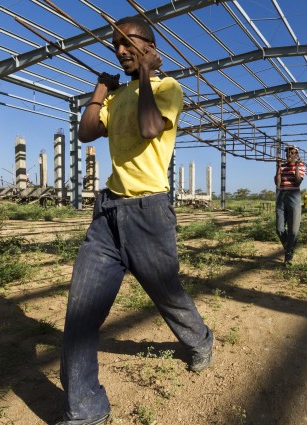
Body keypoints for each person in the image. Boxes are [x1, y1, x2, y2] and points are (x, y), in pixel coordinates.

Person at [58, 16, 213, 425]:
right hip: (107, 213)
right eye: (116, 45)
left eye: (129, 43)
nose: (121, 50)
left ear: (149, 45)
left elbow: (149, 129)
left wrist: (145, 74)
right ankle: (85, 411)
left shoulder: (167, 88)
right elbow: (86, 133)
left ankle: (201, 340)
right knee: (80, 313)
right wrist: (100, 91)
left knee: (167, 295)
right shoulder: (116, 97)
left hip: (149, 213)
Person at [275, 145, 305, 265]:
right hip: (281, 196)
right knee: (279, 228)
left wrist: (296, 166)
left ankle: (288, 255)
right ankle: (289, 249)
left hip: (294, 195)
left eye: (292, 152)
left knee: (293, 231)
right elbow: (277, 182)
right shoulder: (282, 166)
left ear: (296, 154)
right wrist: (278, 167)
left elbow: (297, 181)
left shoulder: (301, 166)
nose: (289, 154)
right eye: (288, 152)